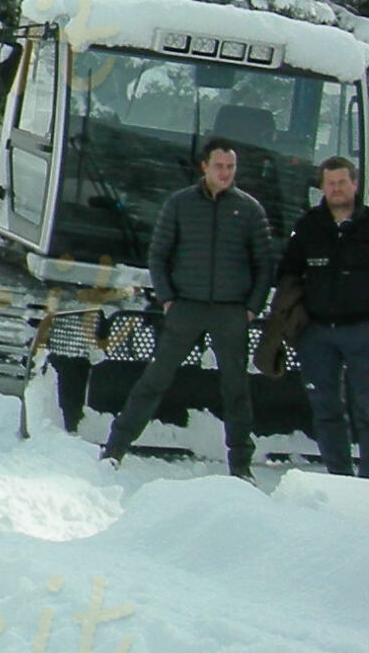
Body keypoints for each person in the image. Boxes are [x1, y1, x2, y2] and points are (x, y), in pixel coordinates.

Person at [104, 137, 276, 477]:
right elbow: (159, 254)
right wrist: (167, 298)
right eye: (219, 166)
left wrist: (251, 308)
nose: (225, 173)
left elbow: (264, 264)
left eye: (231, 167)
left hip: (231, 312)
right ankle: (114, 450)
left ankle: (241, 467)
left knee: (236, 390)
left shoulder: (249, 209)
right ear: (204, 167)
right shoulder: (179, 204)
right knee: (154, 380)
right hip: (185, 307)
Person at [271, 155, 369, 478]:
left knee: (366, 408)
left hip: (362, 331)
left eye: (342, 182)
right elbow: (288, 273)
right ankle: (340, 478)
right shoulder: (309, 226)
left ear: (355, 184)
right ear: (322, 187)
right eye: (331, 183)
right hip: (316, 334)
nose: (337, 189)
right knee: (326, 409)